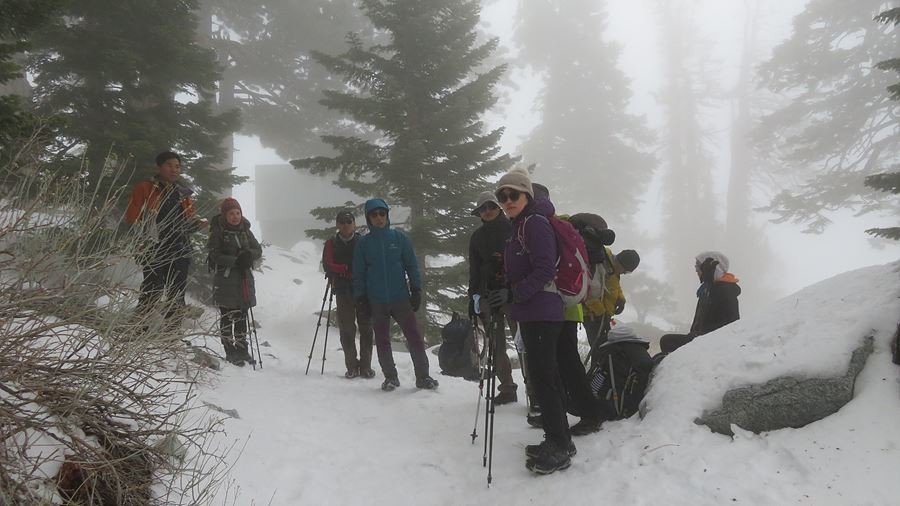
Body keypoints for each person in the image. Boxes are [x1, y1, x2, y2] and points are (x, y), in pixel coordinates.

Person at [485, 168, 571, 475]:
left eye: (513, 195)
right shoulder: (520, 225)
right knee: (545, 376)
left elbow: (546, 269)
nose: (507, 201)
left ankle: (559, 445)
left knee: (543, 379)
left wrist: (513, 293)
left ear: (527, 196)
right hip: (535, 311)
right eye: (502, 196)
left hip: (543, 311)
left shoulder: (534, 223)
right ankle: (560, 438)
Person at [352, 199, 439, 391]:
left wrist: (416, 290)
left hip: (400, 298)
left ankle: (423, 377)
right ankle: (390, 377)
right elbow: (358, 274)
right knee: (382, 340)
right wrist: (360, 299)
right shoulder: (364, 244)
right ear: (369, 218)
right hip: (376, 301)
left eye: (382, 214)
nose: (379, 218)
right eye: (374, 215)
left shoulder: (400, 239)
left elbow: (412, 266)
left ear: (387, 216)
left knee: (414, 337)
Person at [124, 151, 207, 331]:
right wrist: (143, 234)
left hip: (180, 248)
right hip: (155, 246)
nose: (174, 169)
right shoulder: (146, 188)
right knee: (152, 288)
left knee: (177, 292)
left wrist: (196, 225)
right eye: (169, 165)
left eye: (177, 166)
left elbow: (187, 221)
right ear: (159, 167)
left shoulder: (182, 193)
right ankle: (140, 328)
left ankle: (172, 332)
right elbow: (132, 217)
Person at [467, 191, 519, 405]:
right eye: (483, 209)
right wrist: (474, 297)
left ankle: (535, 392)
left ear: (498, 207)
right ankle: (507, 388)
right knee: (496, 345)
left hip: (515, 294)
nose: (487, 211)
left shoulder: (514, 229)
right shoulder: (477, 237)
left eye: (491, 206)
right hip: (488, 294)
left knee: (524, 343)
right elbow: (475, 269)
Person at [207, 198, 262, 366]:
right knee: (227, 317)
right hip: (226, 281)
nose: (235, 216)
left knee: (241, 316)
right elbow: (214, 256)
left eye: (237, 213)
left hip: (243, 279)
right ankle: (230, 351)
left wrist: (248, 256)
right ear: (224, 215)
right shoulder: (218, 232)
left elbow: (257, 250)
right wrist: (236, 260)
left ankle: (242, 350)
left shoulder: (245, 230)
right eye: (231, 213)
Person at [323, 210, 375, 379]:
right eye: (342, 222)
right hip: (343, 290)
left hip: (362, 290)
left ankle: (365, 366)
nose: (345, 225)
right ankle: (352, 366)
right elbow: (327, 265)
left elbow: (370, 263)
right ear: (338, 225)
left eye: (348, 222)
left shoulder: (363, 242)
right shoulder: (331, 243)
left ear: (354, 224)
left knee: (366, 328)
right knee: (347, 329)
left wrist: (342, 268)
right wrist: (345, 268)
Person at [658, 251, 741, 354]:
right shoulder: (706, 290)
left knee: (667, 341)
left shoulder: (726, 291)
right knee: (666, 342)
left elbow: (729, 326)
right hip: (700, 337)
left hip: (711, 341)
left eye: (699, 266)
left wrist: (699, 335)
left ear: (714, 270)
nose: (696, 270)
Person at [583, 248, 640, 351]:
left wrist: (621, 299)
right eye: (625, 271)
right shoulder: (602, 265)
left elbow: (615, 285)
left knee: (605, 348)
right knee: (599, 349)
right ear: (620, 263)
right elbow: (590, 293)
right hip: (592, 315)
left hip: (603, 316)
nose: (624, 273)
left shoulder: (613, 268)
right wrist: (601, 313)